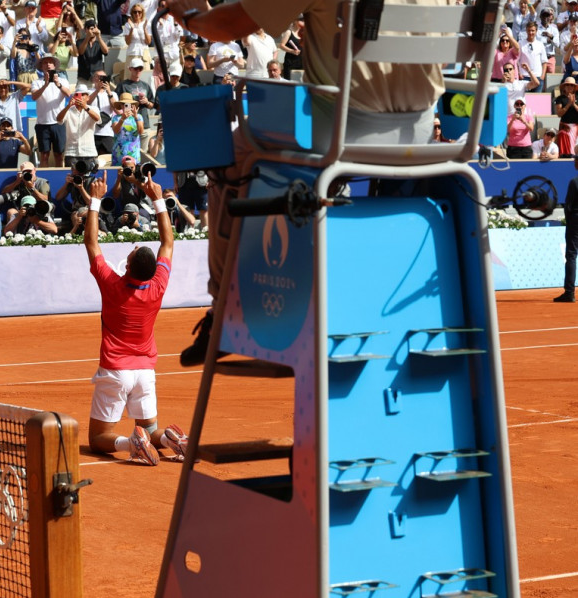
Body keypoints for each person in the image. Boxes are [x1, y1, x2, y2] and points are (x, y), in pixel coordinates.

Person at [166, 0, 450, 365]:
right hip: (420, 132)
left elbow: (225, 27)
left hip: (339, 130)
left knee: (233, 152)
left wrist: (188, 16)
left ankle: (223, 312)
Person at [83, 174, 186, 465]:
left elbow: (91, 241)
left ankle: (131, 443)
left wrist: (94, 200)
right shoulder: (158, 285)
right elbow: (168, 240)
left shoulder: (111, 284)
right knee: (151, 429)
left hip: (115, 370)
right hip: (145, 371)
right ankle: (170, 439)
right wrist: (156, 198)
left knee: (97, 439)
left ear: (127, 266)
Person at [30, 55, 71, 167]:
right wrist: (45, 84)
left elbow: (68, 94)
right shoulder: (37, 82)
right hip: (42, 124)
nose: (48, 64)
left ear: (54, 66)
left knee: (59, 155)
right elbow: (34, 96)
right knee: (44, 155)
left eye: (50, 62)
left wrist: (58, 84)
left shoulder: (63, 81)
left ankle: (59, 179)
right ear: (42, 66)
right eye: (45, 62)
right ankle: (45, 179)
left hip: (59, 123)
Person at [57, 83, 99, 169]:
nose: (80, 97)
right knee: (74, 180)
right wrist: (68, 106)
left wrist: (85, 107)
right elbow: (59, 119)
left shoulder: (93, 109)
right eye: (77, 95)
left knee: (90, 179)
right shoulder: (68, 110)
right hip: (71, 152)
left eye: (83, 94)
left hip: (89, 152)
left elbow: (97, 118)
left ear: (88, 97)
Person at [117, 58, 154, 151]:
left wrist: (147, 102)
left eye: (140, 68)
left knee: (142, 155)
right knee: (129, 152)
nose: (138, 71)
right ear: (130, 69)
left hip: (144, 123)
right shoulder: (123, 85)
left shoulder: (146, 85)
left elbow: (152, 105)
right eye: (136, 68)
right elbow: (117, 104)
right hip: (128, 124)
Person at [558, 163, 578, 302]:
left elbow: (568, 206)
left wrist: (569, 221)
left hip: (575, 220)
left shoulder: (574, 182)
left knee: (571, 254)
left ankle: (569, 293)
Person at [88, 71, 117, 155]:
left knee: (108, 158)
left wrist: (109, 92)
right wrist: (97, 90)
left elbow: (116, 109)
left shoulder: (113, 94)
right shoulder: (89, 92)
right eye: (99, 77)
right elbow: (87, 103)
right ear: (94, 78)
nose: (101, 79)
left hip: (107, 132)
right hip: (92, 132)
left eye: (104, 77)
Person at [110, 92, 142, 166]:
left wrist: (136, 117)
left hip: (133, 154)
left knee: (133, 175)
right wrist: (122, 119)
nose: (126, 106)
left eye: (128, 104)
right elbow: (116, 131)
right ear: (121, 106)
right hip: (119, 153)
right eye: (123, 104)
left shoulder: (139, 117)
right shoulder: (116, 118)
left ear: (132, 105)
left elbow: (141, 132)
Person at [557, 76, 578, 158]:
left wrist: (573, 104)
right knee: (565, 153)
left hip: (576, 128)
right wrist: (569, 104)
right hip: (565, 128)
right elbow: (559, 113)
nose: (569, 87)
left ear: (574, 87)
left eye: (571, 85)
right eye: (567, 85)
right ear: (564, 86)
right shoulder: (560, 99)